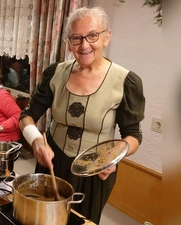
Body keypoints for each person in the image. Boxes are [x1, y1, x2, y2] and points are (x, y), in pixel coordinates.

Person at [18, 7, 145, 224]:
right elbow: (27, 115)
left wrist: (112, 158)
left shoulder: (126, 81)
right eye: (76, 38)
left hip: (94, 171)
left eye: (92, 35)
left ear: (107, 37)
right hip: (53, 163)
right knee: (41, 219)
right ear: (69, 42)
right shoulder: (55, 73)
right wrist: (36, 140)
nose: (84, 45)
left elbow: (133, 136)